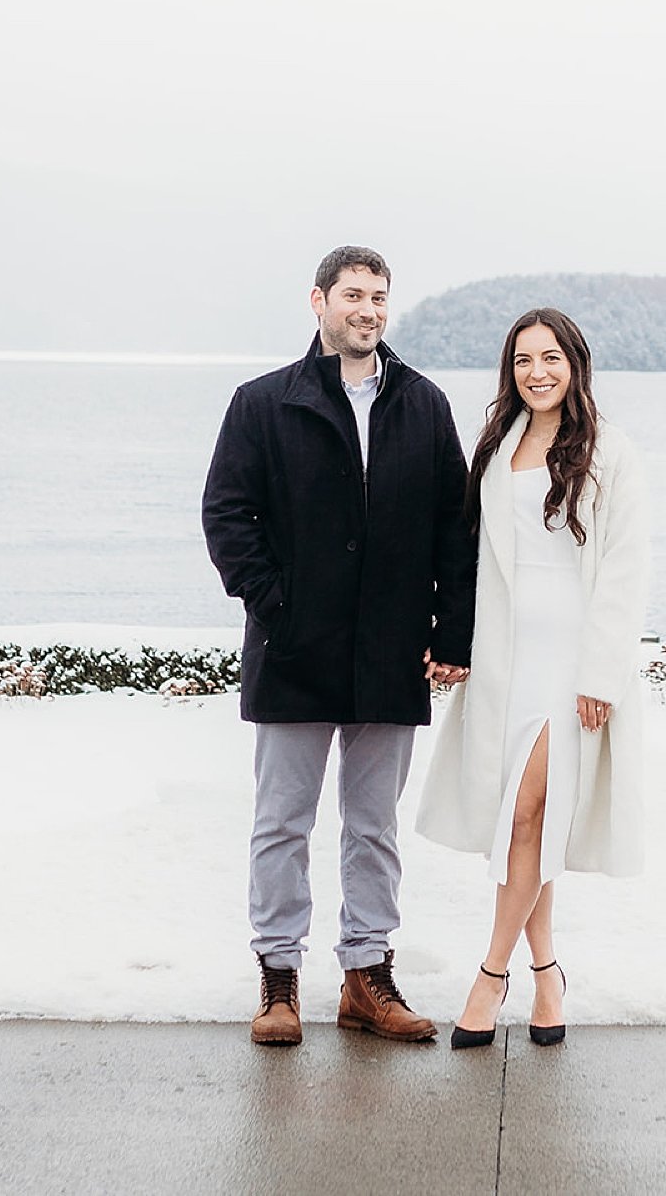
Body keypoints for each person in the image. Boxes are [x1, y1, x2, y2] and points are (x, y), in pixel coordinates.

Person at [202, 245, 476, 1047]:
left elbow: (452, 531)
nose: (368, 309)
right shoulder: (261, 403)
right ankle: (278, 978)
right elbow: (228, 516)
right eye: (353, 294)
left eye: (379, 297)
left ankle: (367, 975)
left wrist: (451, 633)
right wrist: (278, 608)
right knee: (282, 821)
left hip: (391, 654)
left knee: (373, 825)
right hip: (293, 651)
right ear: (318, 301)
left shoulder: (422, 404)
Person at [415, 307, 650, 1049]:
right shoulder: (499, 446)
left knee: (529, 814)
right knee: (526, 823)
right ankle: (548, 971)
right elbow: (472, 555)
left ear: (575, 363)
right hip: (506, 659)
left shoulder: (611, 451)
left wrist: (601, 673)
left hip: (573, 664)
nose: (537, 372)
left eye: (551, 357)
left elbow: (624, 567)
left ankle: (489, 976)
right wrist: (450, 639)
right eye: (523, 361)